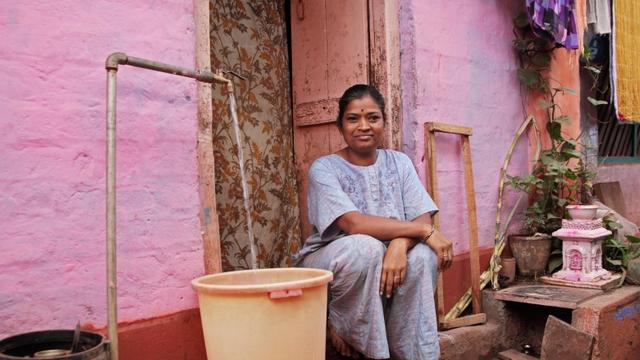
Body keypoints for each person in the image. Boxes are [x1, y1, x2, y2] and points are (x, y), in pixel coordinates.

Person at [292, 84, 454, 360]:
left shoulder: (400, 163)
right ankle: (343, 326)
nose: (363, 126)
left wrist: (399, 245)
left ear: (383, 122)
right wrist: (424, 231)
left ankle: (411, 352)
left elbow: (421, 215)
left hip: (387, 262)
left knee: (424, 256)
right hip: (333, 263)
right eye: (353, 118)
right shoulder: (325, 167)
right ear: (340, 126)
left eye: (373, 118)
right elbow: (353, 224)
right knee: (365, 248)